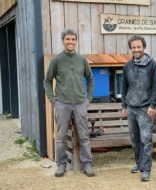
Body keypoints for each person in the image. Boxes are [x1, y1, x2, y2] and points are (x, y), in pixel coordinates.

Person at [44, 29, 95, 177]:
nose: (71, 42)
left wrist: (89, 99)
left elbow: (90, 79)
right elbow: (47, 81)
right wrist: (53, 100)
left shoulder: (82, 59)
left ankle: (87, 165)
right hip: (62, 104)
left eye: (73, 39)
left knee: (84, 136)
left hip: (80, 103)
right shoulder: (56, 60)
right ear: (63, 41)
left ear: (76, 41)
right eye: (68, 39)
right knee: (60, 137)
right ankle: (61, 165)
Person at [121, 35, 156, 181]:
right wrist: (124, 105)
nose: (136, 49)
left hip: (145, 109)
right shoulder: (127, 66)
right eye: (133, 47)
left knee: (146, 139)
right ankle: (139, 164)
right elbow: (124, 87)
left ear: (144, 47)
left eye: (139, 47)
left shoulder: (153, 65)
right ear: (130, 49)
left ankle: (146, 169)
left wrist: (153, 105)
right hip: (131, 108)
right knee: (135, 139)